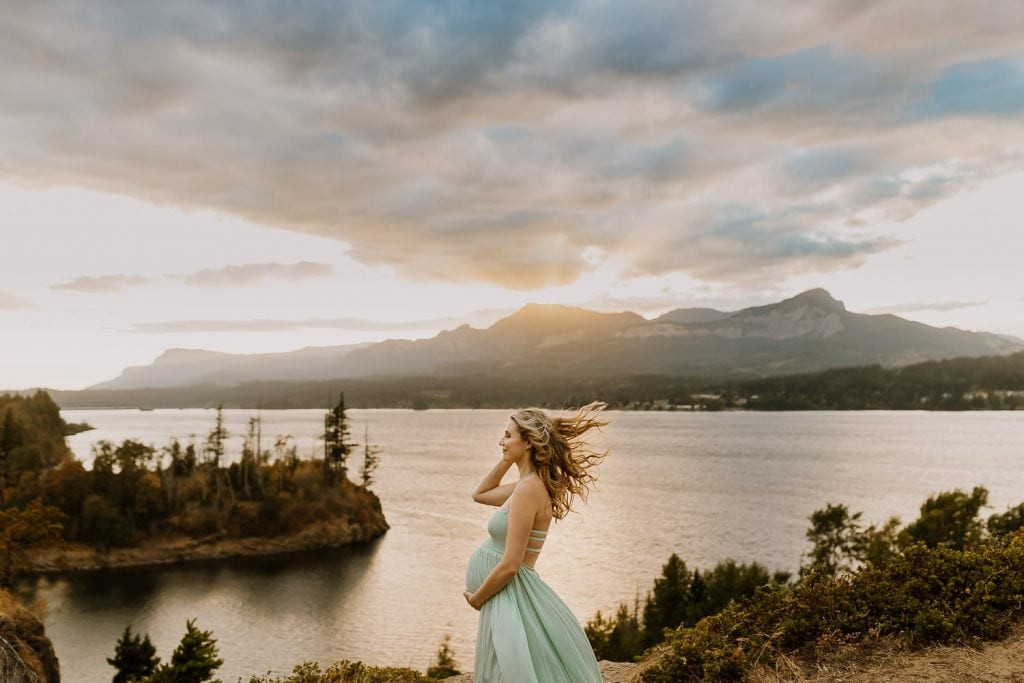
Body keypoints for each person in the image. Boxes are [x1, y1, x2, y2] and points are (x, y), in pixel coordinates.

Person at [463, 402, 609, 682]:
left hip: (510, 594)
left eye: (508, 436)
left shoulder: (528, 490)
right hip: (507, 595)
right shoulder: (527, 484)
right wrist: (507, 458)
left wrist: (477, 599)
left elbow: (510, 564)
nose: (501, 441)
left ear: (528, 442)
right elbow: (480, 494)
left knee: (508, 674)